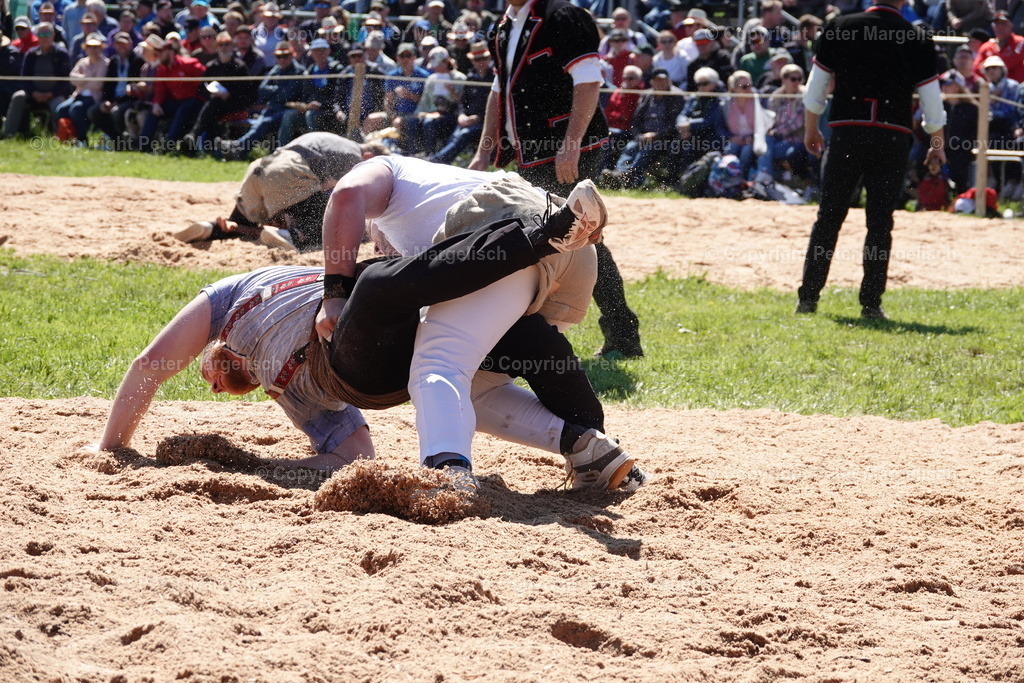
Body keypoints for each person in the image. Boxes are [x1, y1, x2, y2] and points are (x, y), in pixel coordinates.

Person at [96, 203, 640, 492]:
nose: (212, 383)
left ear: (215, 350)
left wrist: (113, 448)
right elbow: (356, 457)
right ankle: (539, 237)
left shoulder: (229, 299)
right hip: (357, 367)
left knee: (518, 341)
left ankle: (589, 443)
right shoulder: (292, 399)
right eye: (215, 390)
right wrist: (261, 466)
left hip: (403, 337)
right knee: (382, 282)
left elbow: (151, 365)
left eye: (206, 373)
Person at [317, 155, 644, 490]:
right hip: (571, 258)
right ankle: (589, 449)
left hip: (505, 226)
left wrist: (335, 293)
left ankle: (447, 476)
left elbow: (346, 194)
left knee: (439, 363)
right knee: (474, 388)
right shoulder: (435, 183)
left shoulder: (385, 168)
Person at [469, 0, 643, 359]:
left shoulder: (565, 16)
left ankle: (619, 333)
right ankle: (550, 333)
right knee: (560, 240)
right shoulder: (503, 27)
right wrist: (484, 150)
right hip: (532, 152)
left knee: (576, 240)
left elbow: (589, 81)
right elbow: (499, 89)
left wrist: (571, 145)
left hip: (567, 149)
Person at [797, 0, 946, 320]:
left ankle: (808, 298)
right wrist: (937, 143)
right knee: (880, 222)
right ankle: (871, 303)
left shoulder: (839, 27)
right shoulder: (917, 38)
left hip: (846, 134)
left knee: (828, 218)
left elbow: (816, 90)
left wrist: (811, 128)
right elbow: (932, 104)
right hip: (891, 138)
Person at [176, 132, 378, 251]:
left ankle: (210, 228)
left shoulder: (330, 139)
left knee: (239, 222)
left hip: (261, 166)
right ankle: (289, 235)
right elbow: (344, 198)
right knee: (329, 227)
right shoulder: (353, 155)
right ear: (369, 155)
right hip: (289, 171)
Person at [604, 68, 685, 188]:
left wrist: (655, 135)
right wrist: (639, 135)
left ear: (669, 81)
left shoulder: (676, 96)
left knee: (646, 151)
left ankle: (629, 178)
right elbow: (636, 120)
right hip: (643, 136)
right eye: (657, 81)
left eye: (663, 81)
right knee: (630, 147)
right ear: (652, 82)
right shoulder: (647, 95)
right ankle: (619, 174)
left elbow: (674, 124)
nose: (660, 83)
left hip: (664, 138)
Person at [3, 23, 70, 138]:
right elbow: (24, 78)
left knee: (59, 106)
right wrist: (33, 92)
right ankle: (9, 134)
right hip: (33, 93)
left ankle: (60, 136)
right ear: (37, 36)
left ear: (53, 35)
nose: (44, 37)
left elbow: (65, 80)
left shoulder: (61, 54)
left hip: (55, 94)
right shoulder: (30, 54)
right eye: (41, 34)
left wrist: (51, 93)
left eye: (47, 34)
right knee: (18, 97)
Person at [139, 40, 205, 152]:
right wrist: (156, 104)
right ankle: (143, 145)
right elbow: (160, 90)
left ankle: (168, 145)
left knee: (183, 109)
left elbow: (207, 76)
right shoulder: (162, 69)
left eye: (161, 52)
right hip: (177, 101)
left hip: (195, 101)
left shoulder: (189, 64)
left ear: (170, 52)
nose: (158, 55)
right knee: (154, 110)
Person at [88, 30, 143, 145]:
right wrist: (105, 101)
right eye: (118, 44)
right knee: (93, 111)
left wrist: (116, 102)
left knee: (116, 112)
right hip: (114, 100)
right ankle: (116, 139)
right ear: (114, 45)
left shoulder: (137, 61)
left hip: (130, 100)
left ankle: (122, 141)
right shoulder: (113, 61)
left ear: (130, 44)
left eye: (124, 43)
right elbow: (108, 85)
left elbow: (135, 87)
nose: (121, 47)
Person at [54, 33, 106, 143]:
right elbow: (72, 79)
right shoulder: (82, 62)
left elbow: (98, 85)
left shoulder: (105, 63)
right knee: (61, 109)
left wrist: (81, 81)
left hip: (94, 97)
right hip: (78, 94)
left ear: (101, 48)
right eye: (90, 47)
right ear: (86, 48)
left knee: (76, 109)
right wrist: (88, 78)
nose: (93, 49)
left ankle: (82, 139)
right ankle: (65, 136)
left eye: (96, 47)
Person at [973, 10, 1024, 82]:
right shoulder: (986, 47)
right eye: (997, 23)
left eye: (1004, 23)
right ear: (992, 26)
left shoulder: (1020, 42)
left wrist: (987, 67)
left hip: (1016, 89)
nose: (1000, 27)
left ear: (1011, 25)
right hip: (992, 88)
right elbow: (976, 68)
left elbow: (1009, 62)